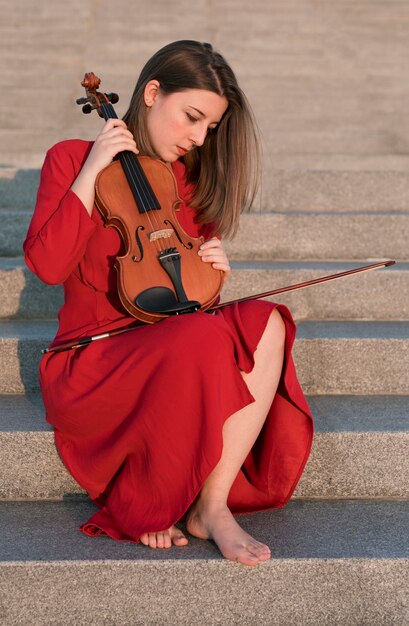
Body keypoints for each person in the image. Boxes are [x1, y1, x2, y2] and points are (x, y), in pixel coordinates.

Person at [24, 40, 313, 567]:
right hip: (94, 362)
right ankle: (150, 496)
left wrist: (211, 272)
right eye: (192, 118)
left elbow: (191, 313)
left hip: (169, 348)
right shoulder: (70, 158)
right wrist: (93, 169)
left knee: (264, 321)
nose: (198, 138)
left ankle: (212, 503)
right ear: (153, 93)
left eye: (210, 128)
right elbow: (47, 266)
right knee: (200, 337)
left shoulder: (192, 182)